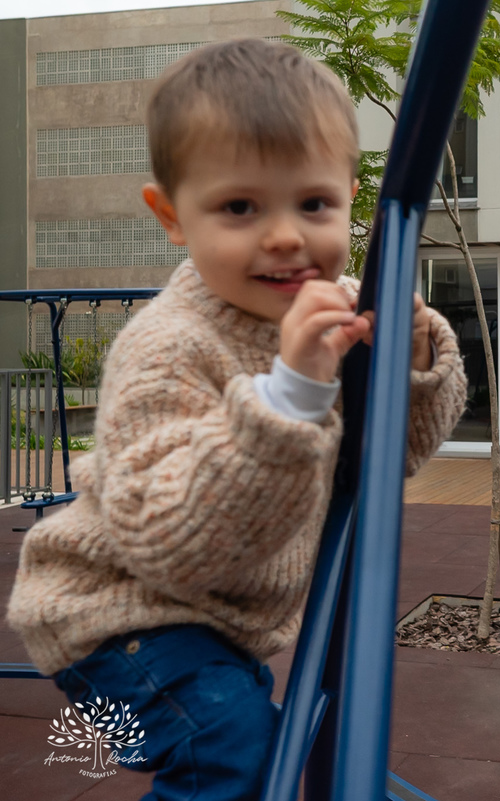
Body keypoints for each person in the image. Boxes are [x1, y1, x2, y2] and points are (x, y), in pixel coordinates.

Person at [7, 39, 468, 801]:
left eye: (313, 203)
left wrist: (411, 363)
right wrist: (290, 397)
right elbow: (175, 543)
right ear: (172, 217)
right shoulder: (167, 348)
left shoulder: (333, 313)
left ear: (351, 196)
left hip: (218, 624)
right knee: (231, 752)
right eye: (240, 207)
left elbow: (385, 457)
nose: (285, 234)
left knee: (296, 762)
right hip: (116, 616)